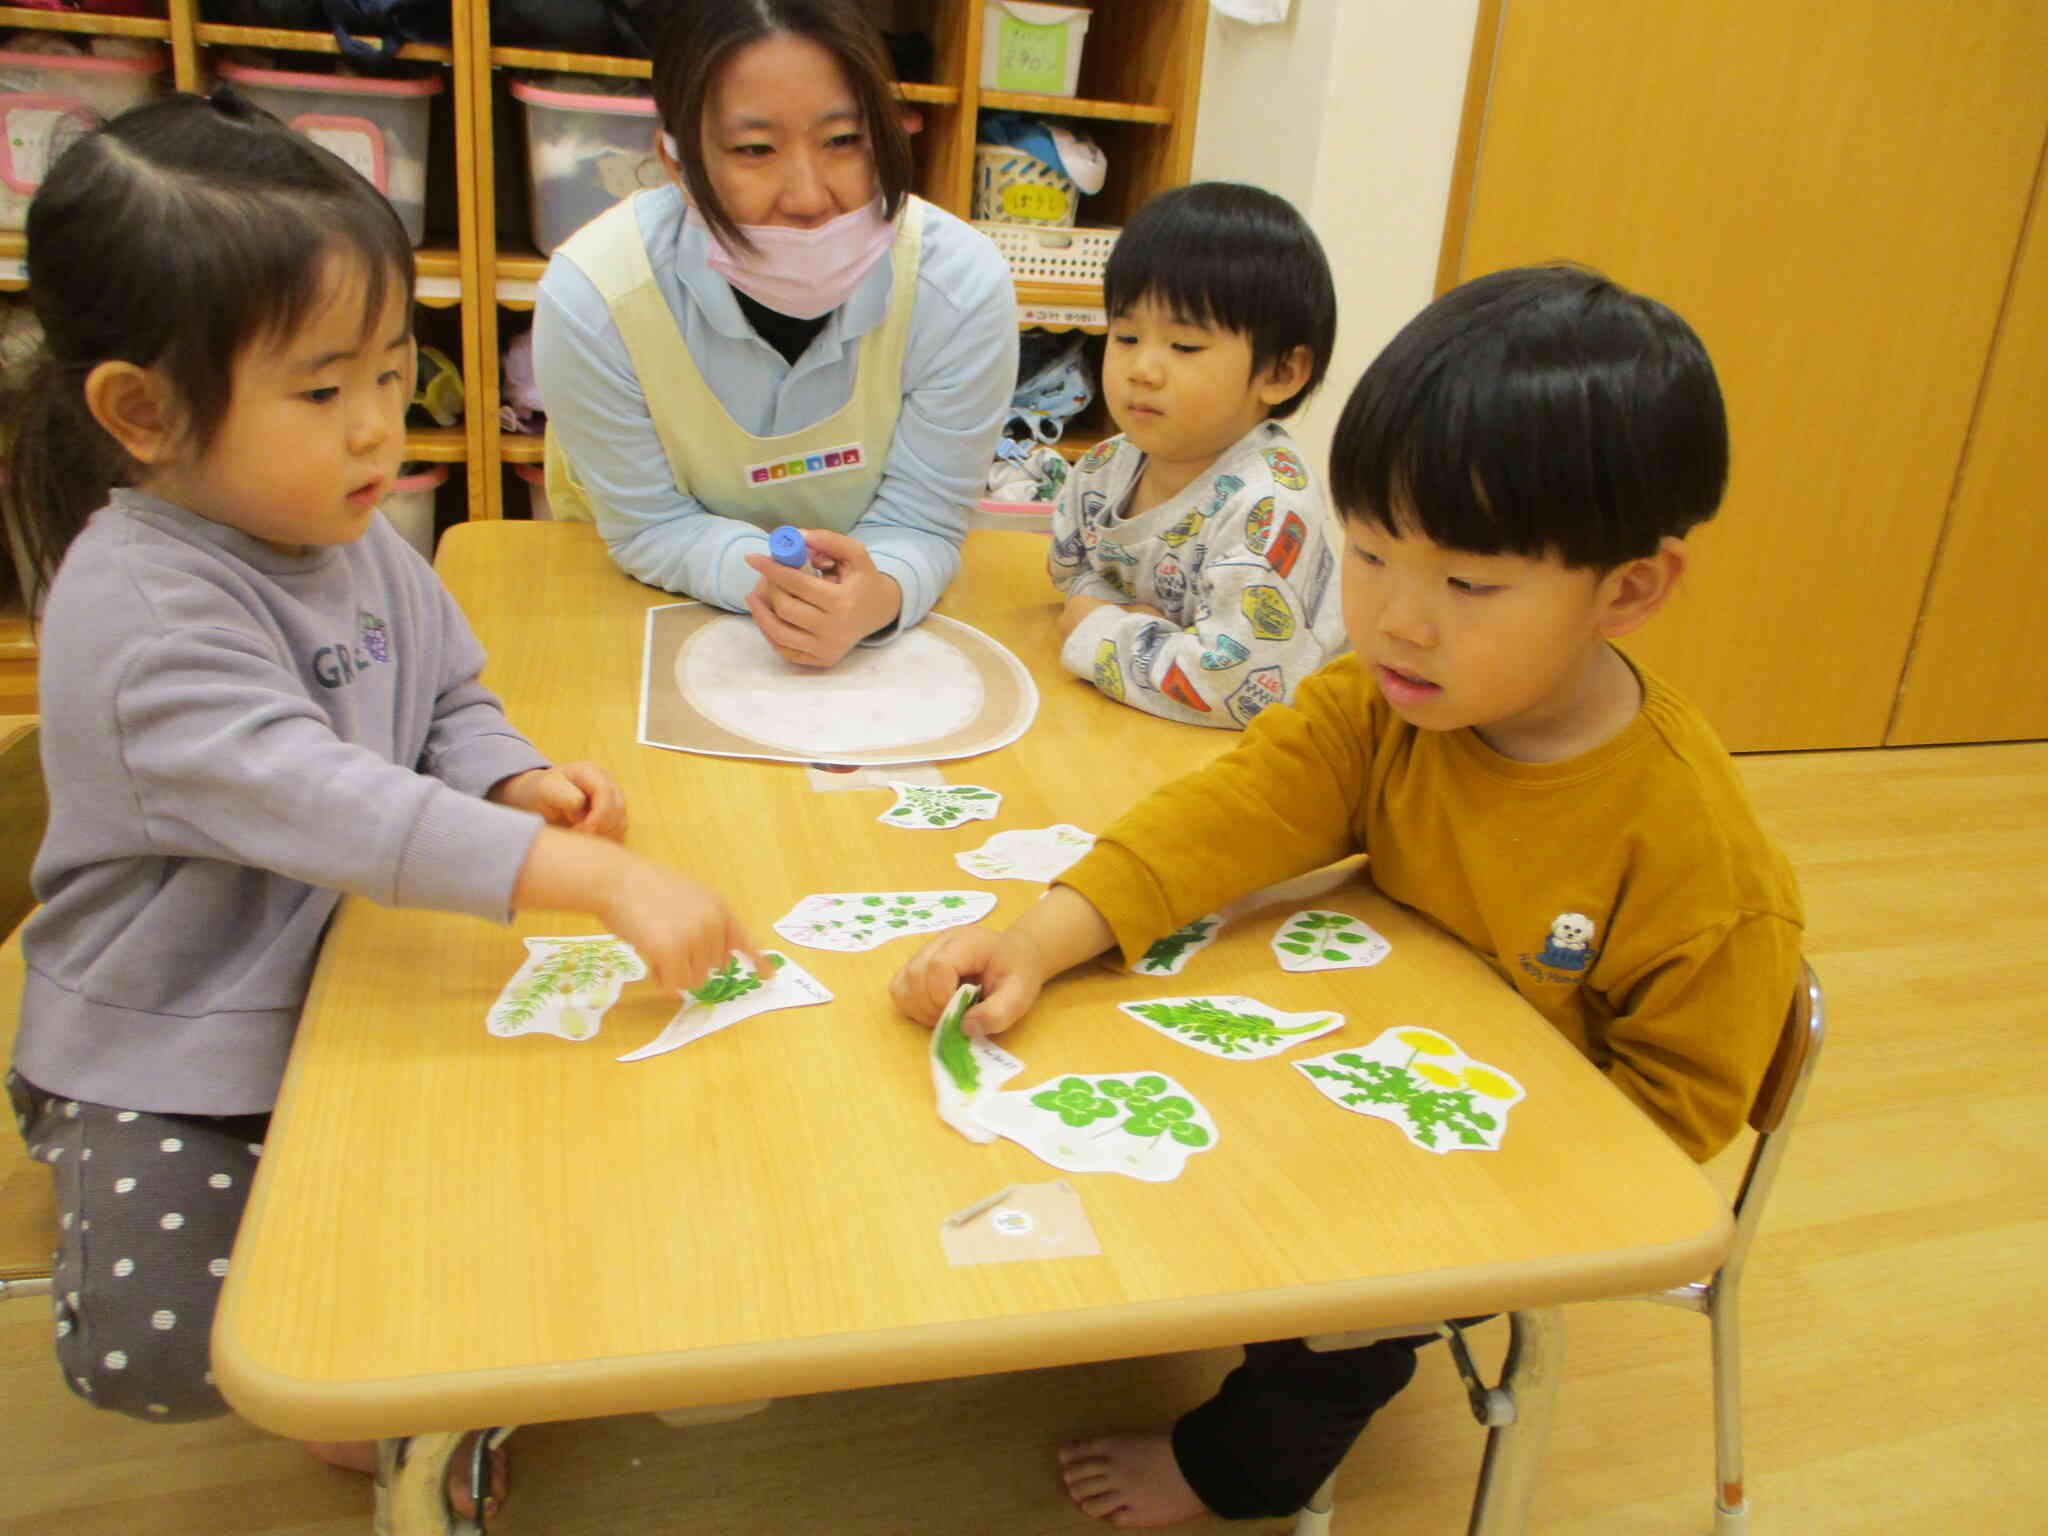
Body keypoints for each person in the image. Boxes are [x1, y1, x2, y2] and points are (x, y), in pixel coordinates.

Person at [893, 265, 1805, 1524]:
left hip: (1516, 1160)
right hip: (1367, 1045)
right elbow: (1229, 815)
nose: (1393, 623)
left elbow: (1676, 1111)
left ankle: (1237, 1471)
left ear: (1631, 588)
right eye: (1368, 556)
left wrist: (1470, 1203)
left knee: (1336, 1325)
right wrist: (1042, 938)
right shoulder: (1380, 699)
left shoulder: (1693, 855)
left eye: (1466, 585)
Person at [1, 91, 751, 1513]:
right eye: (320, 388)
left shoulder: (338, 528)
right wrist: (586, 875)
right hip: (165, 1035)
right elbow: (341, 804)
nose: (376, 429)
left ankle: (420, 1365)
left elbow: (444, 694)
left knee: (525, 1182)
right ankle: (364, 1392)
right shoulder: (145, 612)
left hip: (339, 971)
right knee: (186, 1342)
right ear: (142, 413)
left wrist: (511, 772)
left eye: (394, 372)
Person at [534, 0, 1019, 669]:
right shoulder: (593, 298)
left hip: (872, 641)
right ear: (677, 161)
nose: (809, 196)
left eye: (843, 141)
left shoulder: (960, 288)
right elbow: (648, 524)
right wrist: (783, 586)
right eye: (755, 150)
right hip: (650, 618)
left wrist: (878, 593)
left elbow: (925, 519)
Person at [1048, 182, 1345, 727]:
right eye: (1127, 336)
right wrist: (1118, 616)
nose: (1143, 369)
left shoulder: (1269, 506)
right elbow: (1075, 575)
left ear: (1280, 373)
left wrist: (1105, 630)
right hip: (1143, 723)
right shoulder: (1106, 466)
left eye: (1184, 347)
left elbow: (1233, 685)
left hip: (1275, 745)